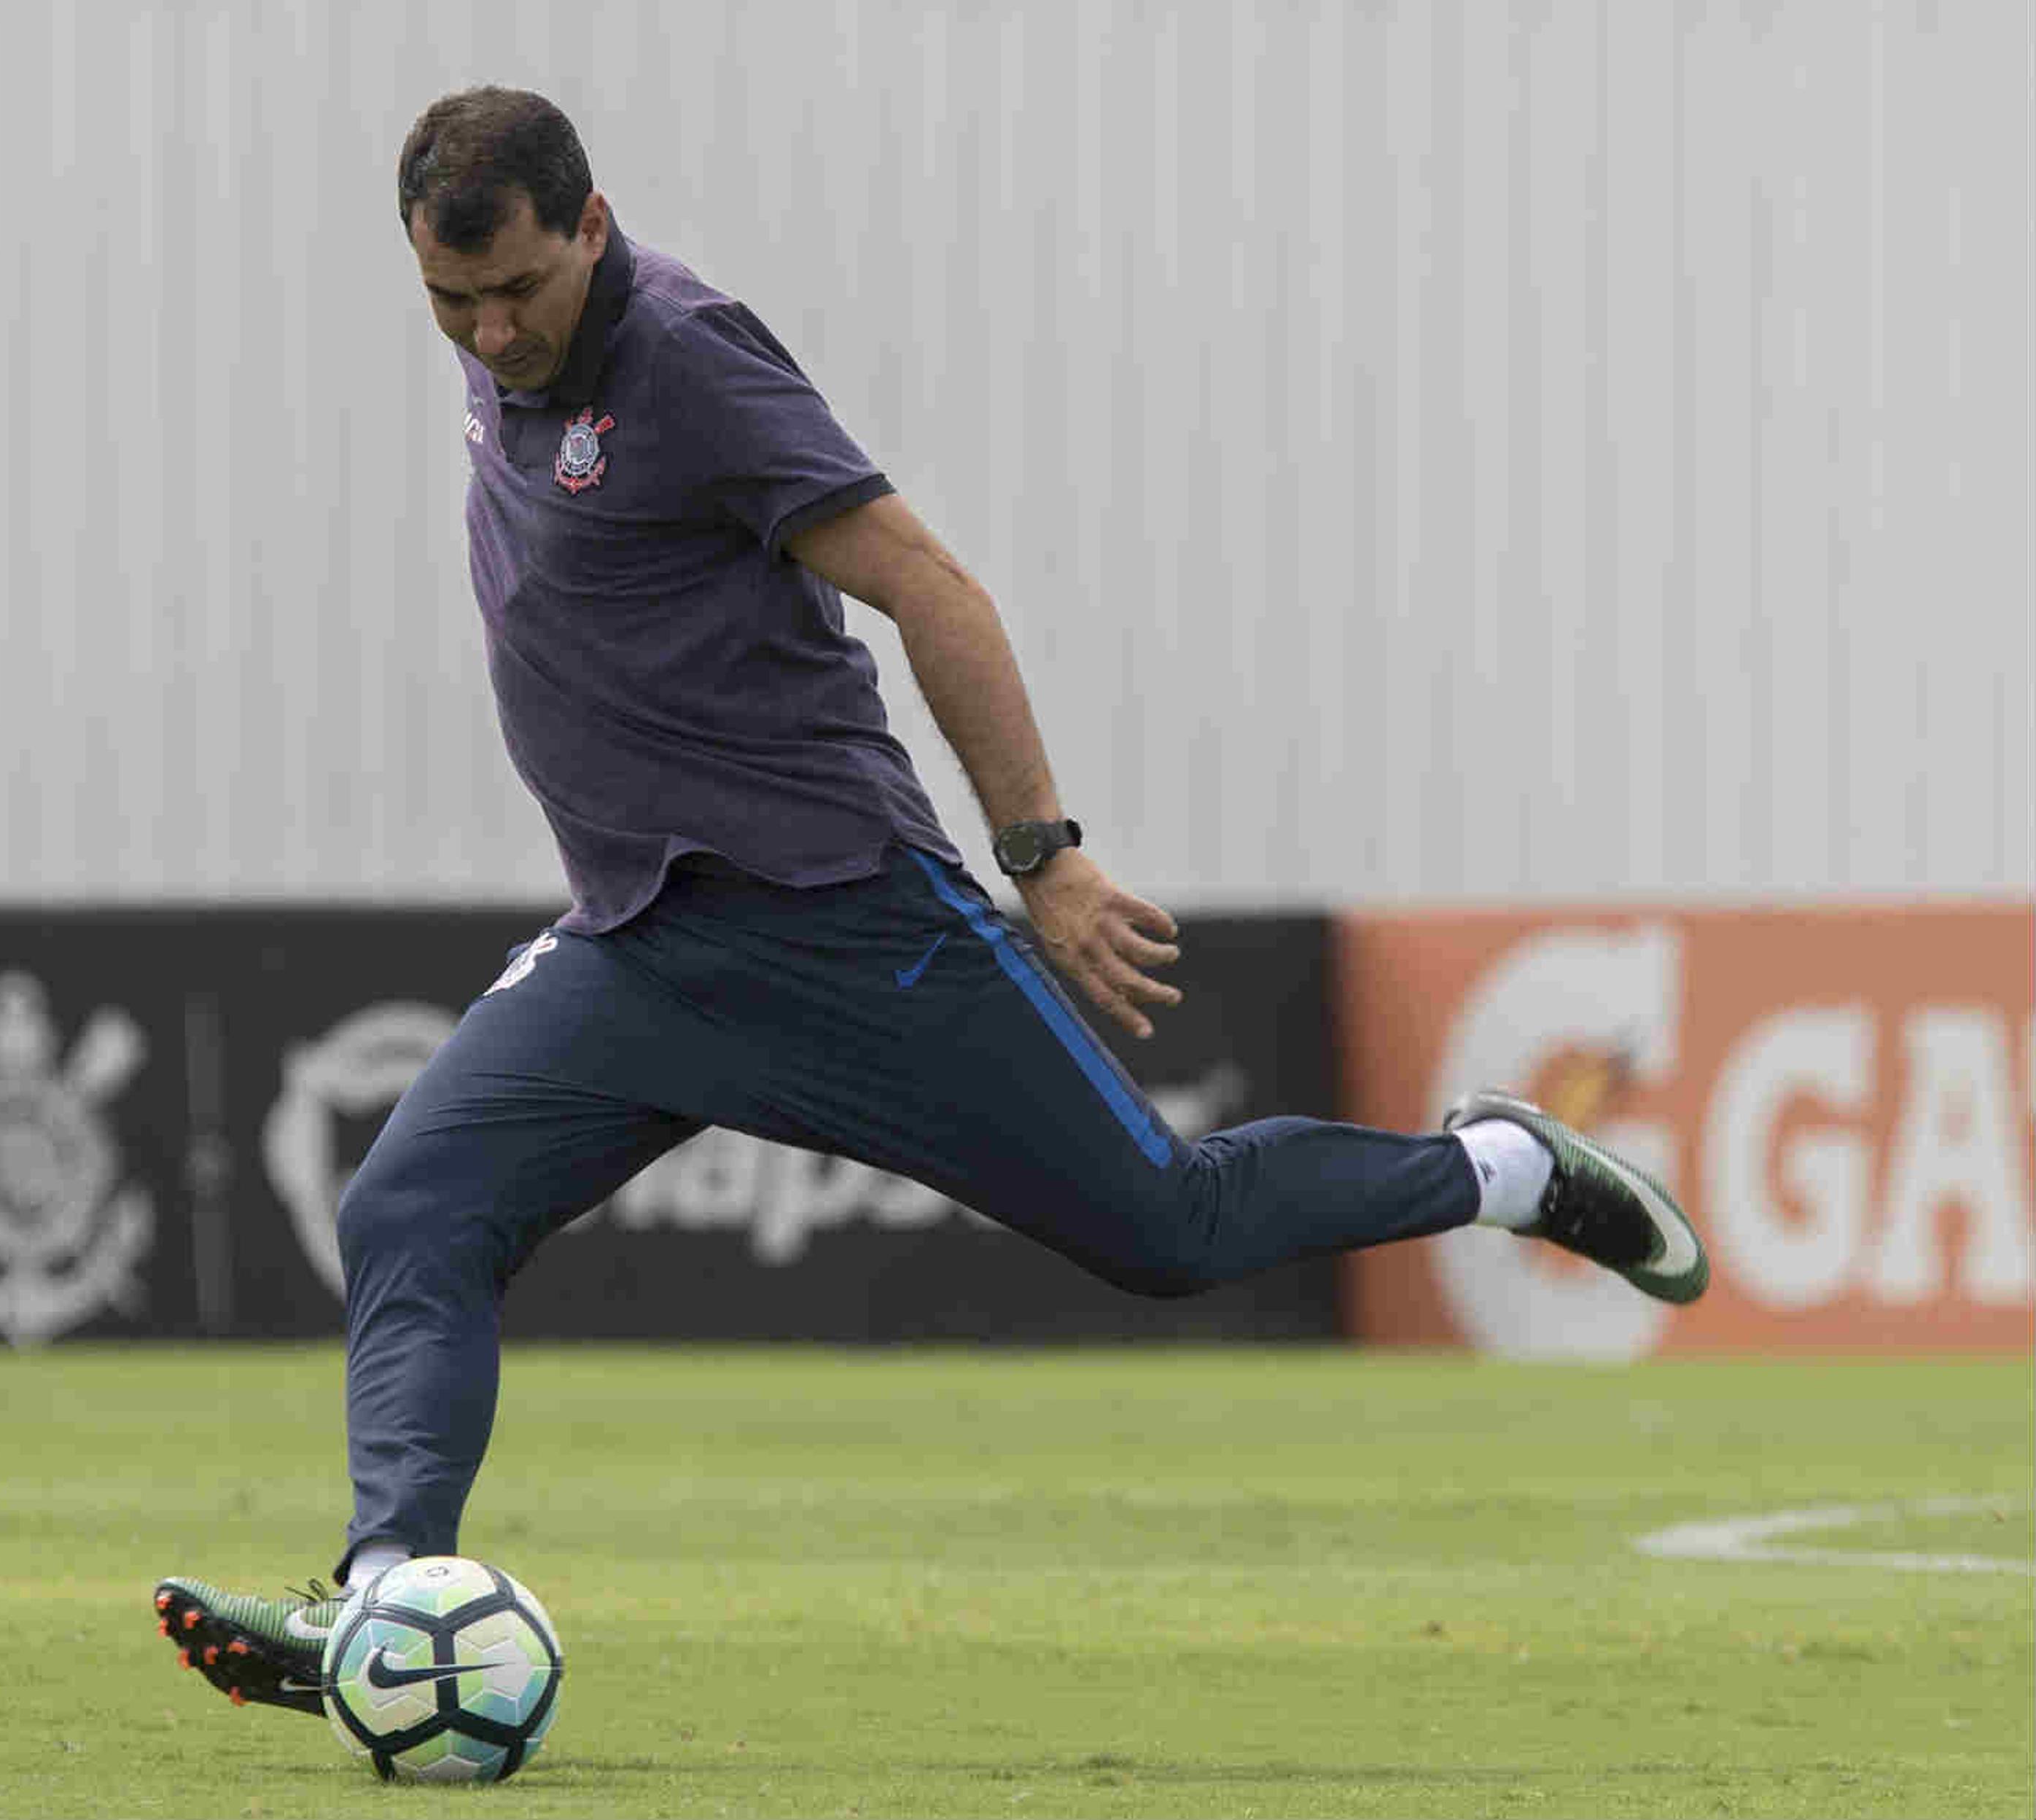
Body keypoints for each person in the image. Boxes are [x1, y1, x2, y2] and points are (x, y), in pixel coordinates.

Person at [152, 86, 1707, 1714]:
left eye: (520, 292)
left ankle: (1505, 1167)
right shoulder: (502, 358)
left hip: (843, 920)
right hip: (639, 943)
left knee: (1166, 1230)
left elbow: (927, 587)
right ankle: (390, 1600)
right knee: (410, 1206)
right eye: (448, 304)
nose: (490, 331)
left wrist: (1045, 857)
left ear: (593, 227)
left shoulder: (687, 357)